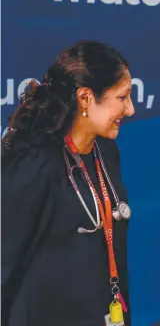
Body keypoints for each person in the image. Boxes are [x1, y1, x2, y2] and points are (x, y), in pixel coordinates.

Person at [2, 40, 136, 326]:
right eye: (122, 98)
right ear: (86, 97)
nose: (131, 109)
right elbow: (5, 260)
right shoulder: (36, 163)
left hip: (101, 313)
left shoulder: (106, 152)